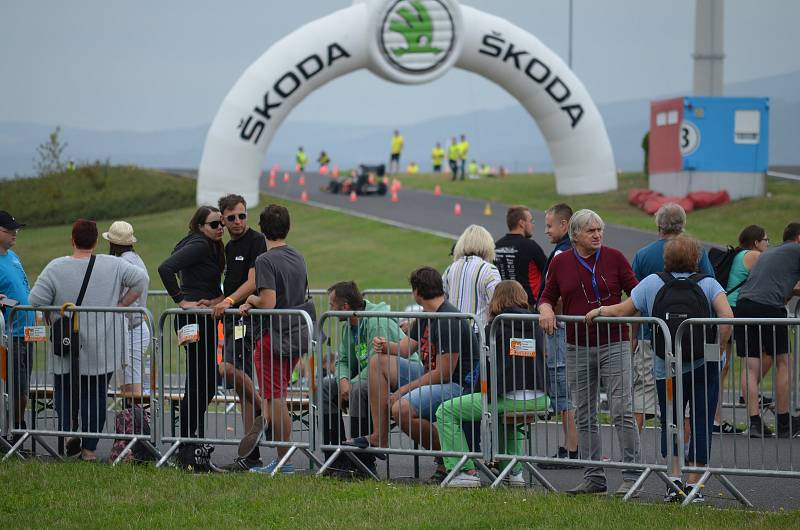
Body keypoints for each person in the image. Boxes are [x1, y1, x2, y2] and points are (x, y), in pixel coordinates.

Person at [586, 236, 734, 503]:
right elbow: (727, 318)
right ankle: (694, 485)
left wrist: (599, 310)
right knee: (701, 419)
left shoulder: (653, 283)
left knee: (671, 420)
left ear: (667, 258)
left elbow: (623, 310)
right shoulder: (709, 284)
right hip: (704, 365)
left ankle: (673, 481)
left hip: (665, 365)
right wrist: (720, 347)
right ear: (696, 259)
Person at [538, 209, 641, 496]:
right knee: (584, 413)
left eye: (600, 230)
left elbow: (637, 294)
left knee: (621, 409)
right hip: (577, 346)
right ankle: (593, 477)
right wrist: (545, 311)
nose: (597, 235)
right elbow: (546, 297)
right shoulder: (561, 263)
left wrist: (620, 317)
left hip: (614, 342)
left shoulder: (615, 258)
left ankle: (633, 475)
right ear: (575, 236)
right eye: (591, 231)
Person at [29, 219, 148, 462]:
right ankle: (89, 449)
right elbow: (141, 281)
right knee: (95, 396)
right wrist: (121, 305)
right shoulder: (114, 265)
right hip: (103, 344)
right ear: (95, 241)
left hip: (66, 344)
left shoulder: (55, 267)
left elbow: (34, 300)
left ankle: (68, 433)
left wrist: (53, 314)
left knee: (64, 392)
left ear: (72, 240)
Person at [436, 280, 550, 487]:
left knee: (445, 411)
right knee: (505, 415)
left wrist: (477, 390)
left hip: (508, 397)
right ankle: (514, 472)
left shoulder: (495, 326)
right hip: (541, 399)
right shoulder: (538, 322)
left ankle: (464, 470)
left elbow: (488, 369)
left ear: (496, 299)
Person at [238, 204, 311, 474]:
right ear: (288, 227)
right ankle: (281, 454)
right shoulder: (298, 256)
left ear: (262, 228)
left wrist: (250, 300)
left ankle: (283, 460)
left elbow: (267, 302)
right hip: (295, 334)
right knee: (276, 396)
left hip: (273, 336)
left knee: (275, 397)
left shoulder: (265, 260)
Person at [630, 203, 715, 432]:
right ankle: (685, 452)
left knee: (643, 392)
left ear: (659, 225)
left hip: (652, 334)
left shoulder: (643, 255)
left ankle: (633, 453)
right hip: (692, 337)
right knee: (683, 400)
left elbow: (634, 301)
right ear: (683, 224)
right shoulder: (697, 251)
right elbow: (709, 289)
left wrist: (633, 335)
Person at [321, 281, 419, 476]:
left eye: (332, 305)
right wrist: (342, 381)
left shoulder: (376, 320)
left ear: (345, 307)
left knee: (359, 390)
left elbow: (378, 363)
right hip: (369, 377)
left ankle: (363, 463)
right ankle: (336, 460)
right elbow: (344, 360)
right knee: (326, 387)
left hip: (400, 377)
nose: (329, 309)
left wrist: (351, 385)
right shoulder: (348, 324)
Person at [158, 206, 225, 470]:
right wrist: (181, 301)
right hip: (193, 318)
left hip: (201, 316)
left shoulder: (203, 243)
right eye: (214, 224)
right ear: (200, 226)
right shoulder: (198, 244)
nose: (220, 227)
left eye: (221, 223)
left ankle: (189, 443)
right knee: (201, 382)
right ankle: (186, 446)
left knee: (203, 382)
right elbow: (165, 268)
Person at [204, 194, 267, 471]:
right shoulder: (227, 246)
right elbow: (228, 283)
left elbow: (253, 283)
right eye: (231, 218)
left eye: (242, 215)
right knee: (241, 390)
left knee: (228, 369)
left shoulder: (256, 241)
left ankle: (268, 410)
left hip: (246, 318)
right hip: (231, 319)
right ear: (223, 219)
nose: (238, 221)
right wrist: (215, 299)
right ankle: (250, 454)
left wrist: (228, 302)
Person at [734, 222, 800, 438]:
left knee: (750, 364)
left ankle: (754, 422)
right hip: (769, 305)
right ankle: (783, 421)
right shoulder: (796, 251)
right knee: (783, 361)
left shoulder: (772, 253)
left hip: (744, 303)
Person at [713, 224, 768, 434]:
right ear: (756, 242)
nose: (767, 244)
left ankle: (716, 419)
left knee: (722, 367)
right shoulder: (754, 255)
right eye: (766, 240)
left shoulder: (737, 254)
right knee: (758, 357)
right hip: (737, 311)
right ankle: (748, 391)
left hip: (725, 309)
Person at [536, 203, 579, 468]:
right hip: (563, 328)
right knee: (565, 387)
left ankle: (571, 448)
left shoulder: (563, 253)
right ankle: (572, 445)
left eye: (550, 225)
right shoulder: (564, 251)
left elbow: (557, 292)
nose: (546, 231)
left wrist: (550, 309)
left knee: (564, 388)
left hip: (560, 329)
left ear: (565, 225)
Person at [102, 221, 150, 396]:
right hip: (134, 327)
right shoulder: (135, 259)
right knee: (130, 383)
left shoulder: (121, 263)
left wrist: (121, 305)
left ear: (111, 243)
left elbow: (140, 282)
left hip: (130, 329)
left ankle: (136, 422)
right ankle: (135, 421)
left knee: (130, 387)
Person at [0, 211, 35, 446]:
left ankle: (16, 428)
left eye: (16, 229)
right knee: (15, 388)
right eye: (9, 230)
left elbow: (24, 287)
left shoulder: (12, 256)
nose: (14, 233)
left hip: (27, 332)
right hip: (8, 335)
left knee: (23, 389)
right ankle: (11, 432)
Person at [444, 225, 501, 332]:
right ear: (487, 244)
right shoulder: (489, 269)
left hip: (451, 331)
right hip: (476, 332)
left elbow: (440, 300)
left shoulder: (450, 269)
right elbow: (496, 305)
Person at [494, 206, 547, 309]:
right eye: (531, 221)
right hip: (527, 308)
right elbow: (549, 271)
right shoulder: (530, 246)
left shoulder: (497, 246)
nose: (532, 225)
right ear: (522, 223)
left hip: (502, 306)